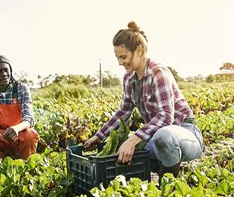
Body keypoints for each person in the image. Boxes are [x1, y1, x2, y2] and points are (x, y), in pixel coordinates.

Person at [84, 21, 204, 177]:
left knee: (163, 137)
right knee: (128, 152)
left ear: (139, 51)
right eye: (117, 58)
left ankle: (168, 185)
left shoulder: (158, 73)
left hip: (185, 134)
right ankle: (165, 171)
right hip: (158, 137)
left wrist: (133, 140)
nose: (120, 62)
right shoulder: (129, 78)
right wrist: (98, 136)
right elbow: (123, 112)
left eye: (123, 57)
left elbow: (166, 116)